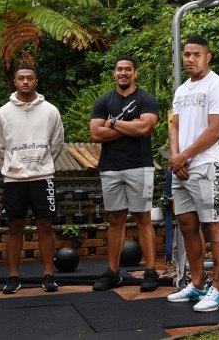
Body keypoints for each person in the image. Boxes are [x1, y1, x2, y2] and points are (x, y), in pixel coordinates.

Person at [166, 36, 219, 312]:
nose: (190, 59)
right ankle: (198, 283)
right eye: (187, 54)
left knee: (213, 225)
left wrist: (184, 156)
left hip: (208, 165)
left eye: (196, 54)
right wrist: (174, 158)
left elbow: (215, 130)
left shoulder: (216, 85)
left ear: (208, 57)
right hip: (182, 167)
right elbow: (174, 126)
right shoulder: (181, 90)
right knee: (187, 225)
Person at [89, 55, 160, 292]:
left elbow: (145, 127)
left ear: (135, 73)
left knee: (143, 218)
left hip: (139, 166)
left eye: (128, 69)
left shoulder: (146, 99)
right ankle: (112, 272)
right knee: (115, 220)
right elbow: (96, 135)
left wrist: (112, 124)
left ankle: (150, 272)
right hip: (110, 167)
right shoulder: (103, 101)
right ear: (114, 73)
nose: (123, 73)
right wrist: (128, 126)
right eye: (119, 69)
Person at [0, 64, 64, 294]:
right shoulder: (3, 113)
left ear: (36, 81)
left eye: (29, 78)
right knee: (15, 226)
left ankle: (48, 276)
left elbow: (57, 143)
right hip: (14, 179)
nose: (25, 82)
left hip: (43, 177)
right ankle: (13, 277)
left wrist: (41, 163)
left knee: (45, 225)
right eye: (21, 78)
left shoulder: (50, 111)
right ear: (14, 82)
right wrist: (14, 164)